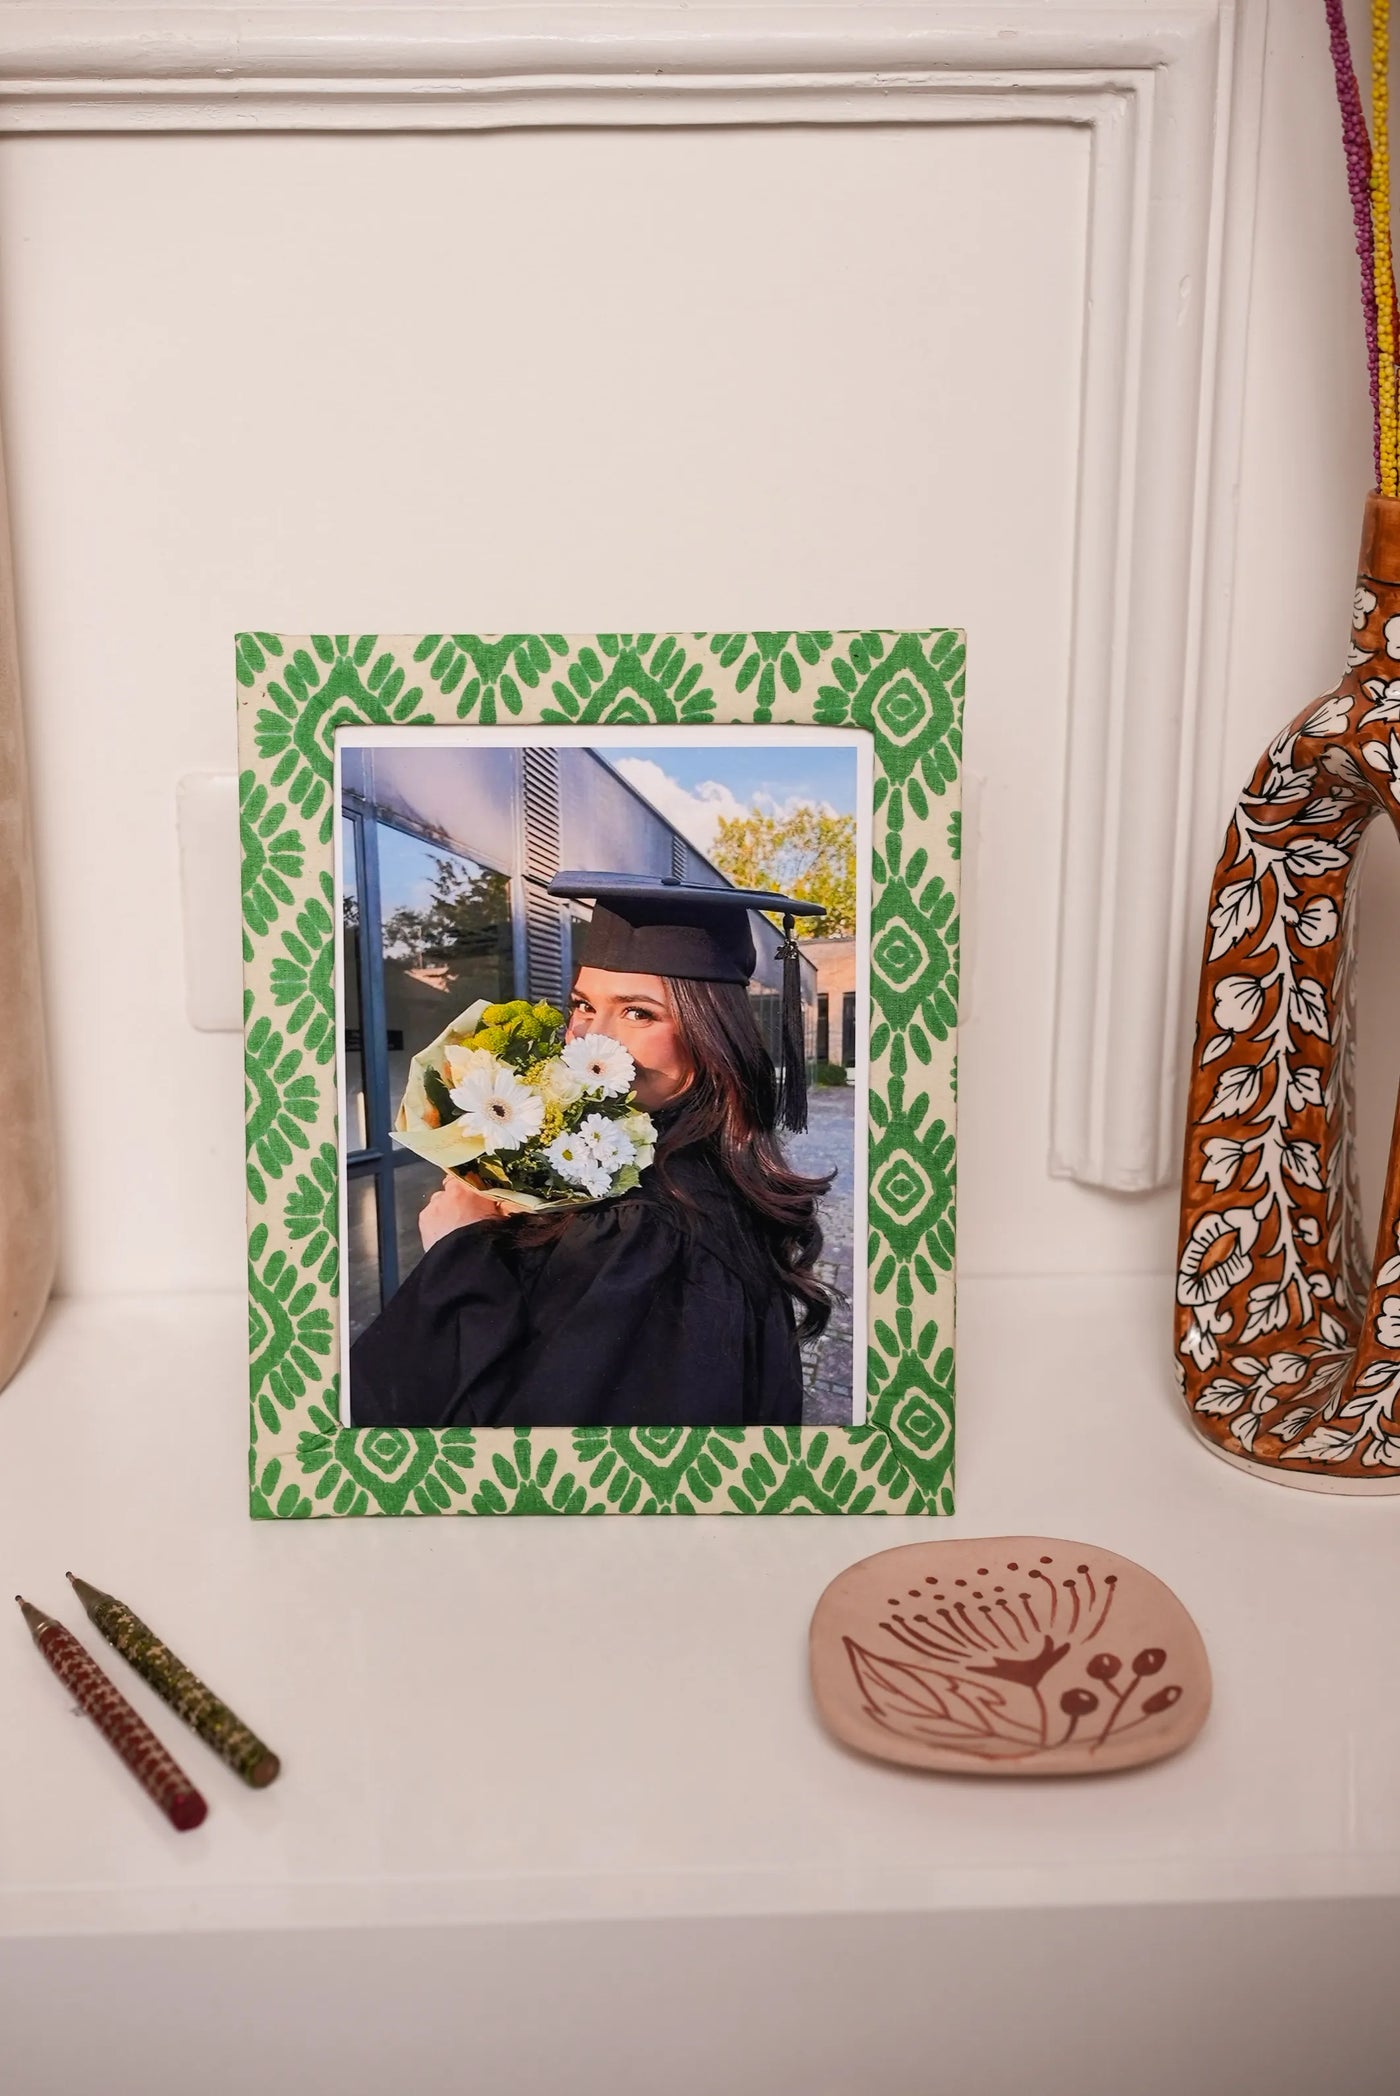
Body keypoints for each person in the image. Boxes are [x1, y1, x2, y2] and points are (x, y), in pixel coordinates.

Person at [349, 873, 835, 1430]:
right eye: (582, 1005)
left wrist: (459, 1250)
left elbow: (549, 1451)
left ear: (711, 1035)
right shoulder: (674, 1168)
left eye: (638, 1012)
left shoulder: (649, 1229)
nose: (590, 1039)